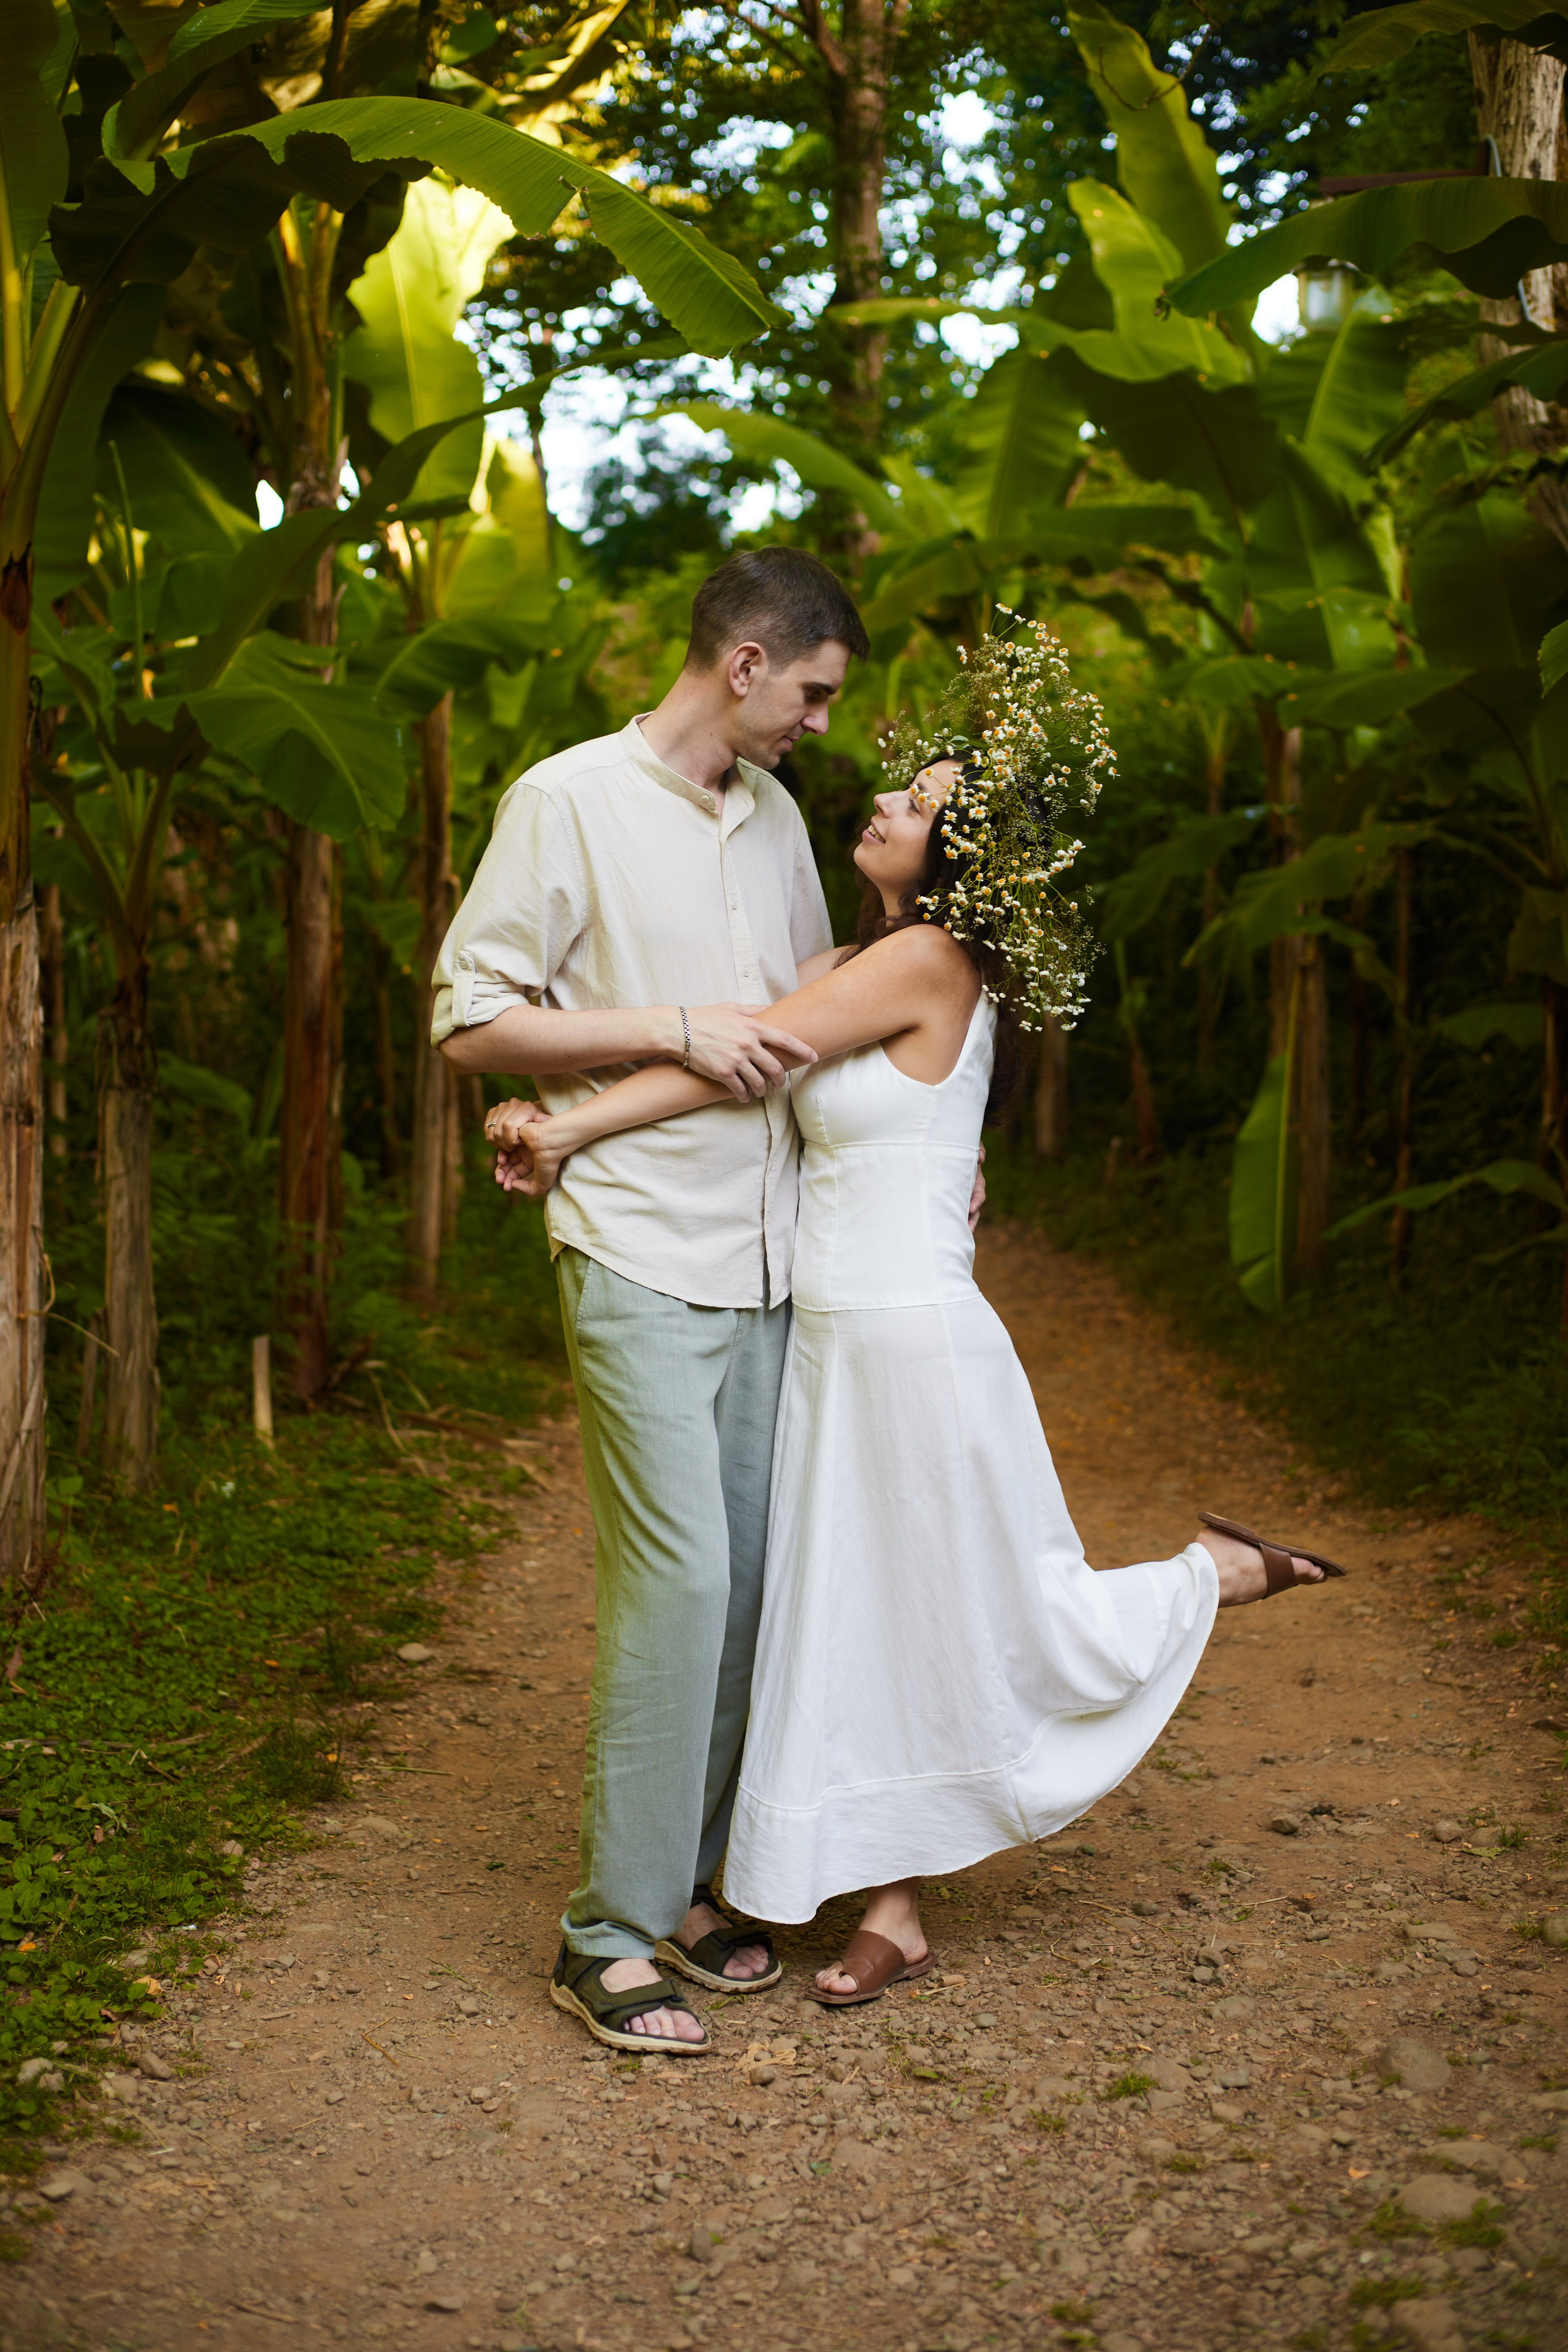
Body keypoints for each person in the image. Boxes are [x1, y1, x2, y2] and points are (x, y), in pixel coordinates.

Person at [487, 617, 1347, 2007]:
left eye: (915, 801)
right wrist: (574, 1123)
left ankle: (1209, 1575)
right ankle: (891, 1901)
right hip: (830, 1332)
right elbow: (735, 1047)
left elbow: (734, 1066)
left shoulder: (926, 957)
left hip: (902, 1334)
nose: (880, 800)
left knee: (985, 1610)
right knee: (865, 1615)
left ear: (953, 858)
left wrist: (571, 1137)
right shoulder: (858, 954)